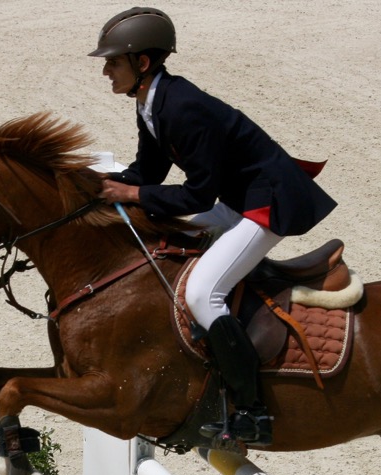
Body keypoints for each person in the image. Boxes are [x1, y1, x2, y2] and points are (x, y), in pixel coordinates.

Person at [91, 7, 336, 447]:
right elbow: (147, 170)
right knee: (165, 234)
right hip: (236, 198)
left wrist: (130, 196)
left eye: (113, 61)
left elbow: (198, 195)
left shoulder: (182, 107)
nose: (106, 70)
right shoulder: (152, 101)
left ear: (141, 63)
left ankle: (252, 409)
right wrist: (90, 184)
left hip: (265, 204)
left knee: (204, 292)